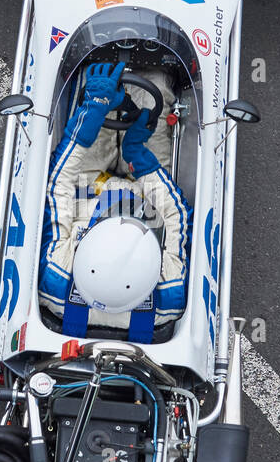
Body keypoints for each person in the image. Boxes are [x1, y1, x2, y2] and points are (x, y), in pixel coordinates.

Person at [38, 61, 191, 341]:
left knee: (98, 84)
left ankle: (99, 78)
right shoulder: (170, 293)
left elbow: (57, 188)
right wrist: (138, 156)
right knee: (154, 85)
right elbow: (177, 215)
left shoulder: (57, 278)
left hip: (89, 182)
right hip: (145, 185)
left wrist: (91, 114)